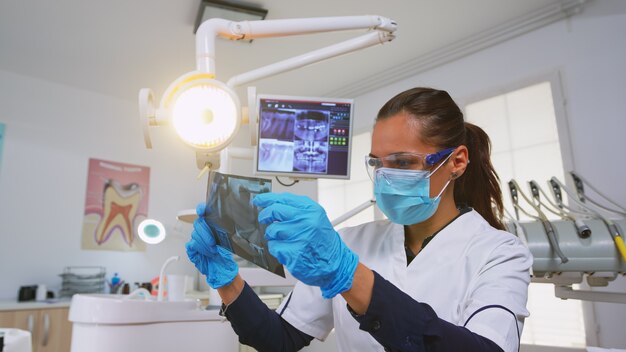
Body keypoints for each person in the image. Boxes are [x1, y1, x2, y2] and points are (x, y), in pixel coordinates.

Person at [186, 87, 532, 352]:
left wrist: (348, 275)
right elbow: (279, 339)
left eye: (403, 162)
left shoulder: (499, 253)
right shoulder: (350, 242)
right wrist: (225, 279)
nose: (384, 176)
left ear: (456, 162)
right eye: (377, 163)